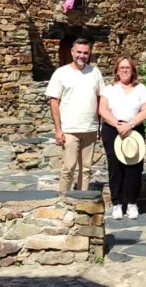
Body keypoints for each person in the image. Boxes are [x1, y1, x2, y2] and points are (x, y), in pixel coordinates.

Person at [45, 38, 105, 192]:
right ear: (72, 52)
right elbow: (54, 102)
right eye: (79, 52)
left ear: (89, 53)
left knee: (86, 169)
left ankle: (82, 199)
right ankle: (63, 200)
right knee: (68, 168)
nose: (82, 56)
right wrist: (58, 130)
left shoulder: (95, 72)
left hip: (90, 129)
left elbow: (101, 99)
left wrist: (100, 125)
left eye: (85, 53)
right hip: (69, 129)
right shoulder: (61, 73)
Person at [99, 56, 146, 220]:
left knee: (133, 167)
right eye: (121, 67)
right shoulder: (109, 89)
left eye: (127, 67)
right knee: (115, 167)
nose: (124, 70)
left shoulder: (140, 88)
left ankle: (132, 203)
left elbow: (145, 110)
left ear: (133, 70)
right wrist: (117, 124)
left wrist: (130, 124)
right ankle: (117, 203)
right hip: (112, 129)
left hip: (134, 129)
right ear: (116, 71)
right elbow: (103, 110)